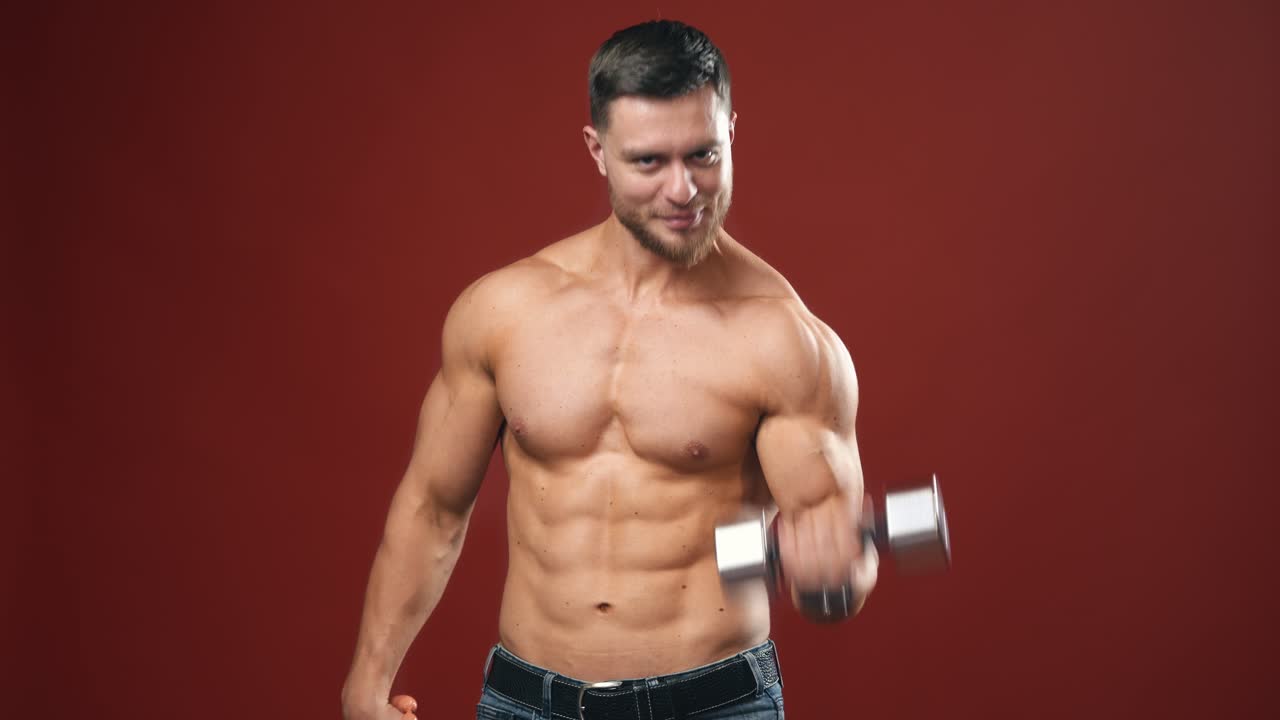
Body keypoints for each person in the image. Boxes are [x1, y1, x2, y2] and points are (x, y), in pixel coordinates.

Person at [341, 19, 878, 720]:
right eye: (649, 162)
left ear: (732, 133)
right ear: (597, 151)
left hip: (712, 705)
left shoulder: (784, 342)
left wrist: (831, 580)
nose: (684, 191)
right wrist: (367, 684)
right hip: (528, 701)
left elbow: (838, 555)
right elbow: (433, 507)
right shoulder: (506, 310)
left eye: (704, 155)